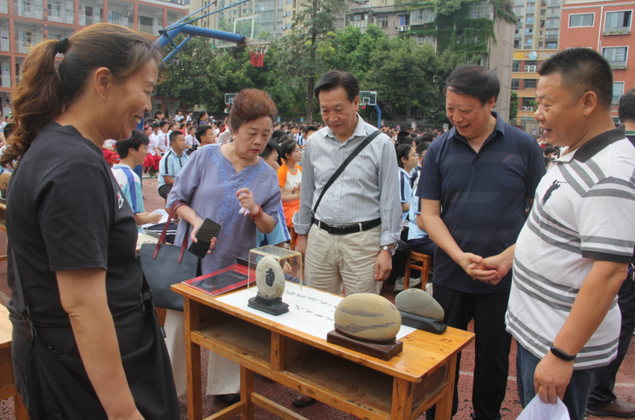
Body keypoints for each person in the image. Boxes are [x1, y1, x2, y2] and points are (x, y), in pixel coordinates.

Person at [4, 24, 178, 419]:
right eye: (146, 89)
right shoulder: (73, 165)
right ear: (104, 81)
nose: (149, 106)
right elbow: (82, 304)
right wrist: (124, 412)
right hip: (87, 374)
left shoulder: (57, 149)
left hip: (71, 358)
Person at [476, 48, 635, 420]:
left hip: (558, 342)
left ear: (588, 102)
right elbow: (552, 230)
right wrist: (508, 258)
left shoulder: (611, 173)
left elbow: (610, 271)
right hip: (538, 331)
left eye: (546, 103)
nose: (537, 114)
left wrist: (562, 354)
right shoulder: (574, 154)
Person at [417, 65, 545, 420]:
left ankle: (487, 415)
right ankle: (440, 413)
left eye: (465, 109)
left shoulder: (524, 145)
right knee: (442, 354)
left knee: (494, 357)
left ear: (490, 102)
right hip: (451, 273)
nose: (456, 117)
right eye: (450, 108)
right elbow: (429, 214)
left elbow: (541, 215)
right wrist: (459, 257)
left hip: (502, 277)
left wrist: (506, 258)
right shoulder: (440, 149)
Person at [164, 89, 280, 402]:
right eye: (252, 133)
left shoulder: (268, 175)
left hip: (235, 257)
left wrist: (256, 211)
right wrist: (197, 222)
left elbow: (272, 225)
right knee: (179, 320)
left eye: (265, 134)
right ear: (234, 128)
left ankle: (226, 388)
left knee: (231, 326)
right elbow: (175, 200)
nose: (258, 141)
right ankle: (170, 389)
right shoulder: (205, 156)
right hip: (197, 249)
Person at [295, 70, 401, 297]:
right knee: (315, 305)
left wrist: (387, 249)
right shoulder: (314, 143)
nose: (332, 117)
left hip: (363, 242)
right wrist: (302, 236)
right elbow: (307, 193)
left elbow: (390, 200)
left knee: (361, 312)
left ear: (356, 103)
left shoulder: (381, 144)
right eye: (325, 110)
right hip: (320, 239)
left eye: (339, 109)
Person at [112, 130, 162, 231]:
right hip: (129, 235)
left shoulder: (112, 171)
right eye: (144, 148)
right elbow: (131, 218)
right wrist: (151, 218)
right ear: (132, 150)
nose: (147, 152)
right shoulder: (131, 178)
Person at [258, 139, 292, 247]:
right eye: (276, 160)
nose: (278, 166)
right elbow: (278, 244)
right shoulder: (271, 197)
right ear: (260, 161)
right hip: (260, 261)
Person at [278, 137, 302, 247]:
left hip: (300, 205)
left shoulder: (300, 169)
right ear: (287, 156)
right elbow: (278, 197)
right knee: (301, 220)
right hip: (286, 208)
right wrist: (297, 196)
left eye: (299, 150)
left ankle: (300, 246)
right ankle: (298, 248)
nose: (300, 153)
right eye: (296, 151)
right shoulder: (282, 171)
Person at [158, 130, 189, 200]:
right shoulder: (167, 158)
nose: (184, 143)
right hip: (167, 185)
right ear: (173, 143)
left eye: (184, 140)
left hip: (182, 183)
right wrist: (183, 184)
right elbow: (168, 180)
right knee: (177, 195)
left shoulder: (187, 157)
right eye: (181, 141)